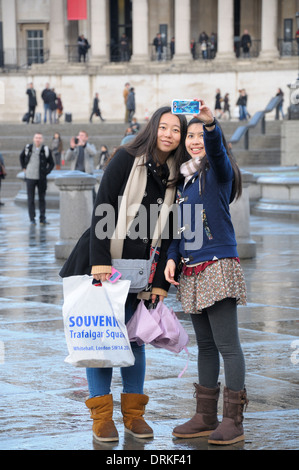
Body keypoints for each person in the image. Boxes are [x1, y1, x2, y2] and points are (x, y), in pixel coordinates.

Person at [59, 106, 188, 443]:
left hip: (143, 270)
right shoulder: (126, 157)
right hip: (105, 261)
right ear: (153, 128)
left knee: (134, 339)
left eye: (176, 130)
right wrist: (99, 261)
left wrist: (160, 282)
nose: (168, 134)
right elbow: (103, 204)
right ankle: (102, 419)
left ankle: (134, 415)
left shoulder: (177, 174)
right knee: (101, 338)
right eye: (164, 127)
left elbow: (172, 230)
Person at [164, 101, 248, 446]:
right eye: (191, 135)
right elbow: (179, 229)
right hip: (192, 269)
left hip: (218, 264)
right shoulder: (186, 181)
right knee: (206, 346)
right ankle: (205, 415)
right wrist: (171, 257)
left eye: (199, 135)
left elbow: (216, 150)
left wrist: (211, 126)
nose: (194, 140)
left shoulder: (218, 173)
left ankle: (233, 419)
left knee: (228, 345)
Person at [20, 133, 54, 225]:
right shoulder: (28, 148)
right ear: (33, 139)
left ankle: (42, 218)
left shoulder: (45, 149)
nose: (38, 139)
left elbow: (51, 163)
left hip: (41, 178)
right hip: (30, 177)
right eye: (36, 138)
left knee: (42, 198)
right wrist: (24, 167)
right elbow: (21, 157)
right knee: (30, 199)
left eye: (39, 138)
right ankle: (32, 219)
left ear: (42, 139)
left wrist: (46, 172)